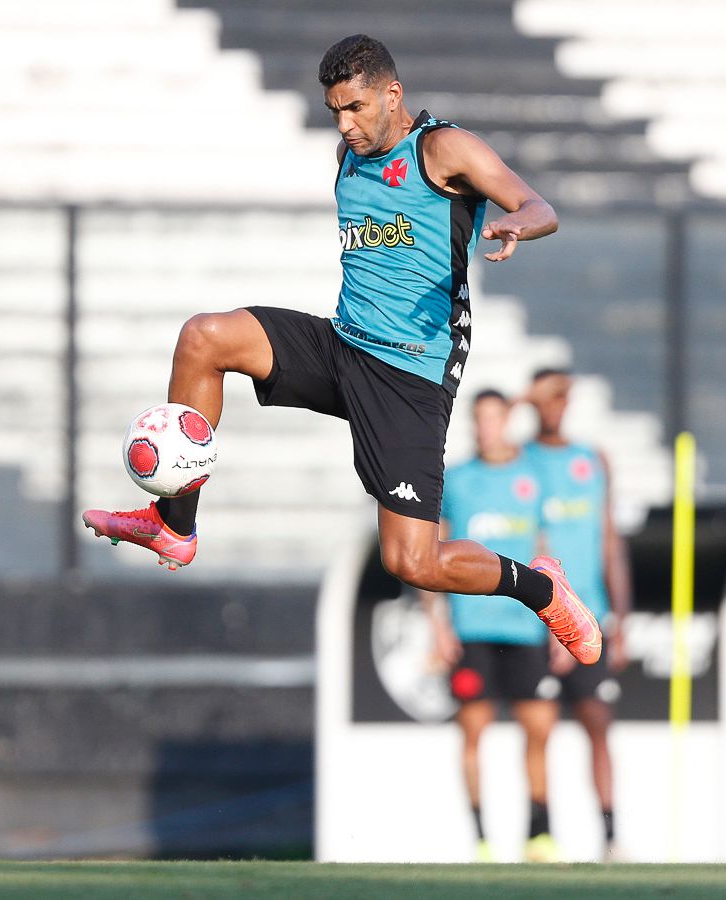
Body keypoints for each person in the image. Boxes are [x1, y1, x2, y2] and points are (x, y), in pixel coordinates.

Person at [82, 34, 602, 665]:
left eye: (355, 107)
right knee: (204, 338)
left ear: (393, 94)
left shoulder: (443, 149)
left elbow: (539, 204)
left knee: (413, 562)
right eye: (334, 110)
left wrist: (519, 222)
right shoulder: (346, 156)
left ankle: (542, 588)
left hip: (409, 374)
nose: (344, 125)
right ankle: (175, 525)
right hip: (342, 345)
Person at [421, 390, 573, 863]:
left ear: (507, 420)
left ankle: (538, 835)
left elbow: (546, 555)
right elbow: (431, 554)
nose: (485, 427)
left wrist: (559, 623)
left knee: (539, 729)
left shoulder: (533, 477)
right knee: (473, 732)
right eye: (479, 419)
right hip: (472, 629)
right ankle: (482, 839)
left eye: (493, 418)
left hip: (525, 627)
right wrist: (437, 625)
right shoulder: (457, 479)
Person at [525, 368, 633, 860]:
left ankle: (610, 836)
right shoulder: (520, 461)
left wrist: (621, 619)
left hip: (591, 617)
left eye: (560, 396)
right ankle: (540, 836)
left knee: (598, 726)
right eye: (545, 397)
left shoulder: (592, 461)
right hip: (536, 622)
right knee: (538, 729)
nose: (554, 405)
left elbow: (609, 542)